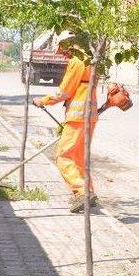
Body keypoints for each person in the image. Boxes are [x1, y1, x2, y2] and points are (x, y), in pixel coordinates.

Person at [33, 32, 98, 213]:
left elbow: (64, 92)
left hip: (77, 117)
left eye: (61, 48)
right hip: (89, 116)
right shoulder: (90, 59)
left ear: (68, 44)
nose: (60, 53)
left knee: (63, 157)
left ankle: (82, 192)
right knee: (78, 157)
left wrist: (43, 100)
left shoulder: (77, 61)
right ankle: (89, 192)